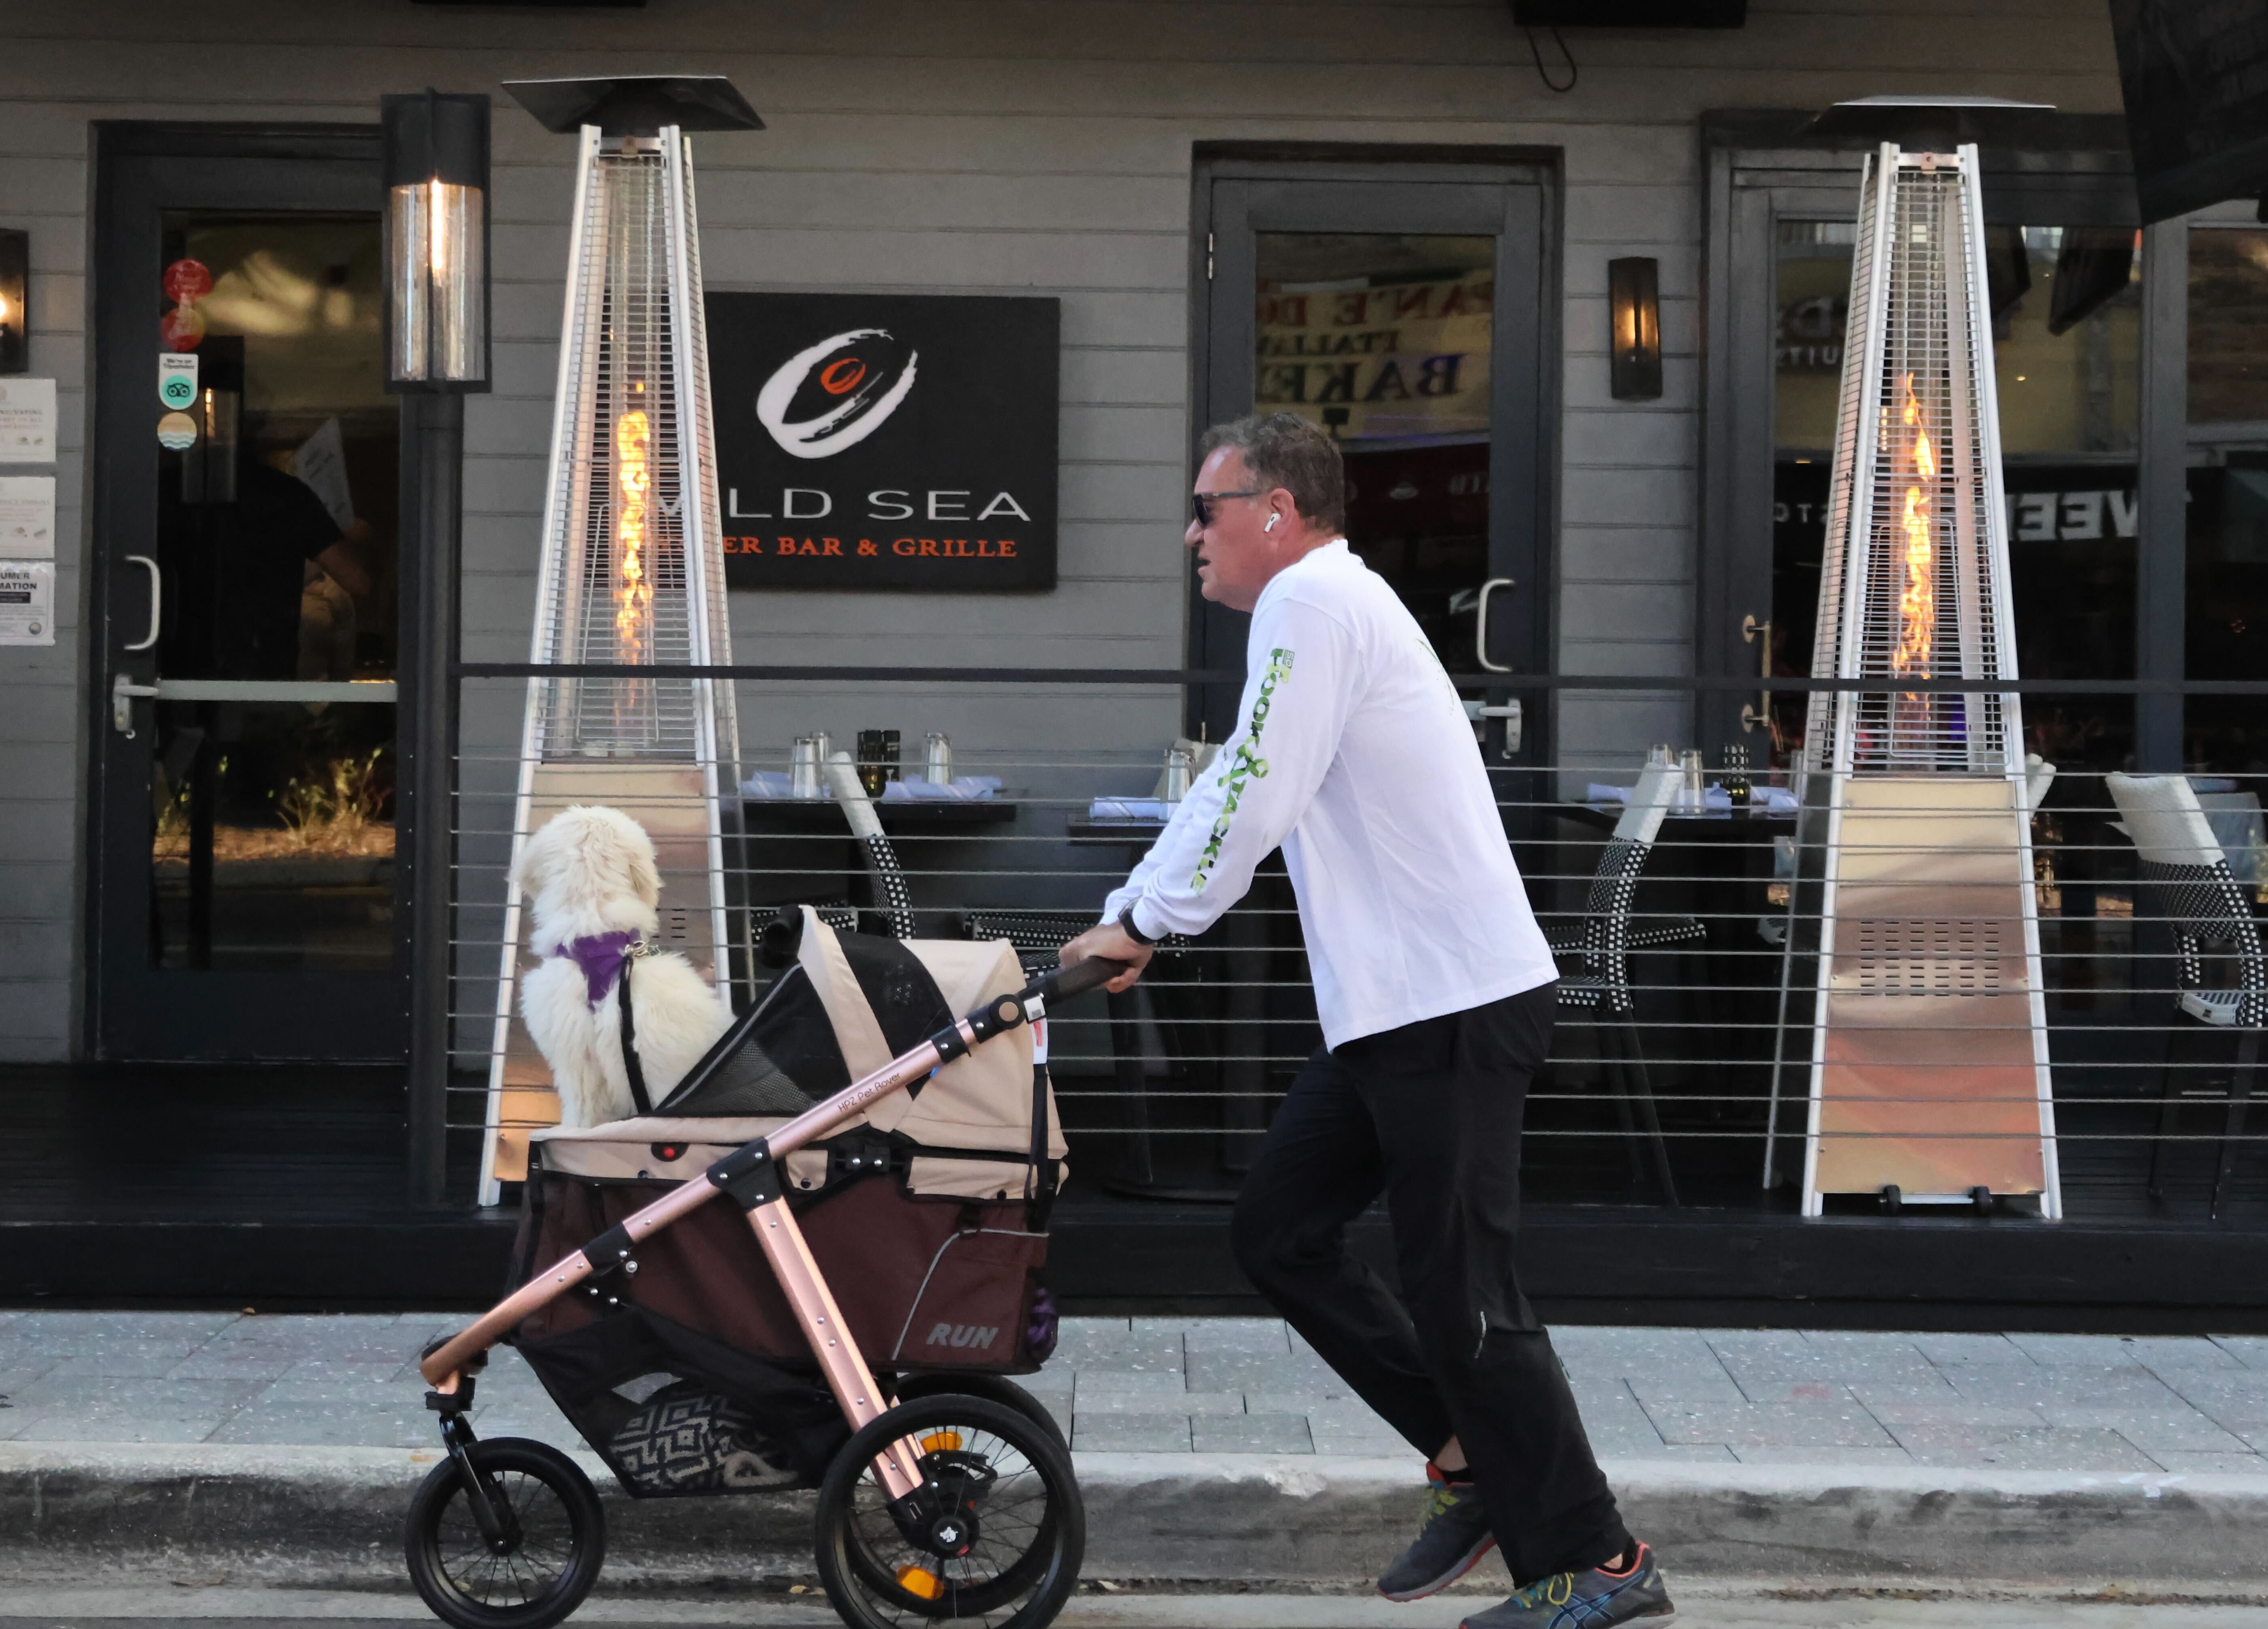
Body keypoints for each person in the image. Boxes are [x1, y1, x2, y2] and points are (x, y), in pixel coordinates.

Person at [1060, 413, 1672, 1628]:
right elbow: (1241, 771)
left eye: (1209, 506)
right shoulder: (1323, 610)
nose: (1193, 532)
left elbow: (1253, 793)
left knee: (1466, 1289)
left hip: (1452, 998)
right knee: (1280, 1227)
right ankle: (1470, 1460)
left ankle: (1599, 1560)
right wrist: (1137, 910)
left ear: (1276, 511)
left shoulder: (1315, 605)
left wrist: (1148, 921)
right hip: (1395, 1011)